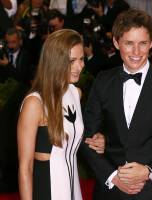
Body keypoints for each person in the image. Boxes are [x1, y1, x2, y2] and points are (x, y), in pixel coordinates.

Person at [81, 8, 152, 200]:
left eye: (143, 43)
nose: (136, 52)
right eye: (129, 43)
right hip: (109, 192)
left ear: (151, 42)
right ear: (117, 43)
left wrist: (149, 171)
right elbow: (85, 137)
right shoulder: (103, 81)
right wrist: (113, 176)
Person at [17, 29, 105, 200]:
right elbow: (25, 167)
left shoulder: (75, 92)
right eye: (72, 60)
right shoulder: (35, 103)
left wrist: (96, 140)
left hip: (72, 185)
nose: (81, 66)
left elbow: (72, 138)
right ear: (55, 61)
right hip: (47, 188)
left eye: (81, 59)